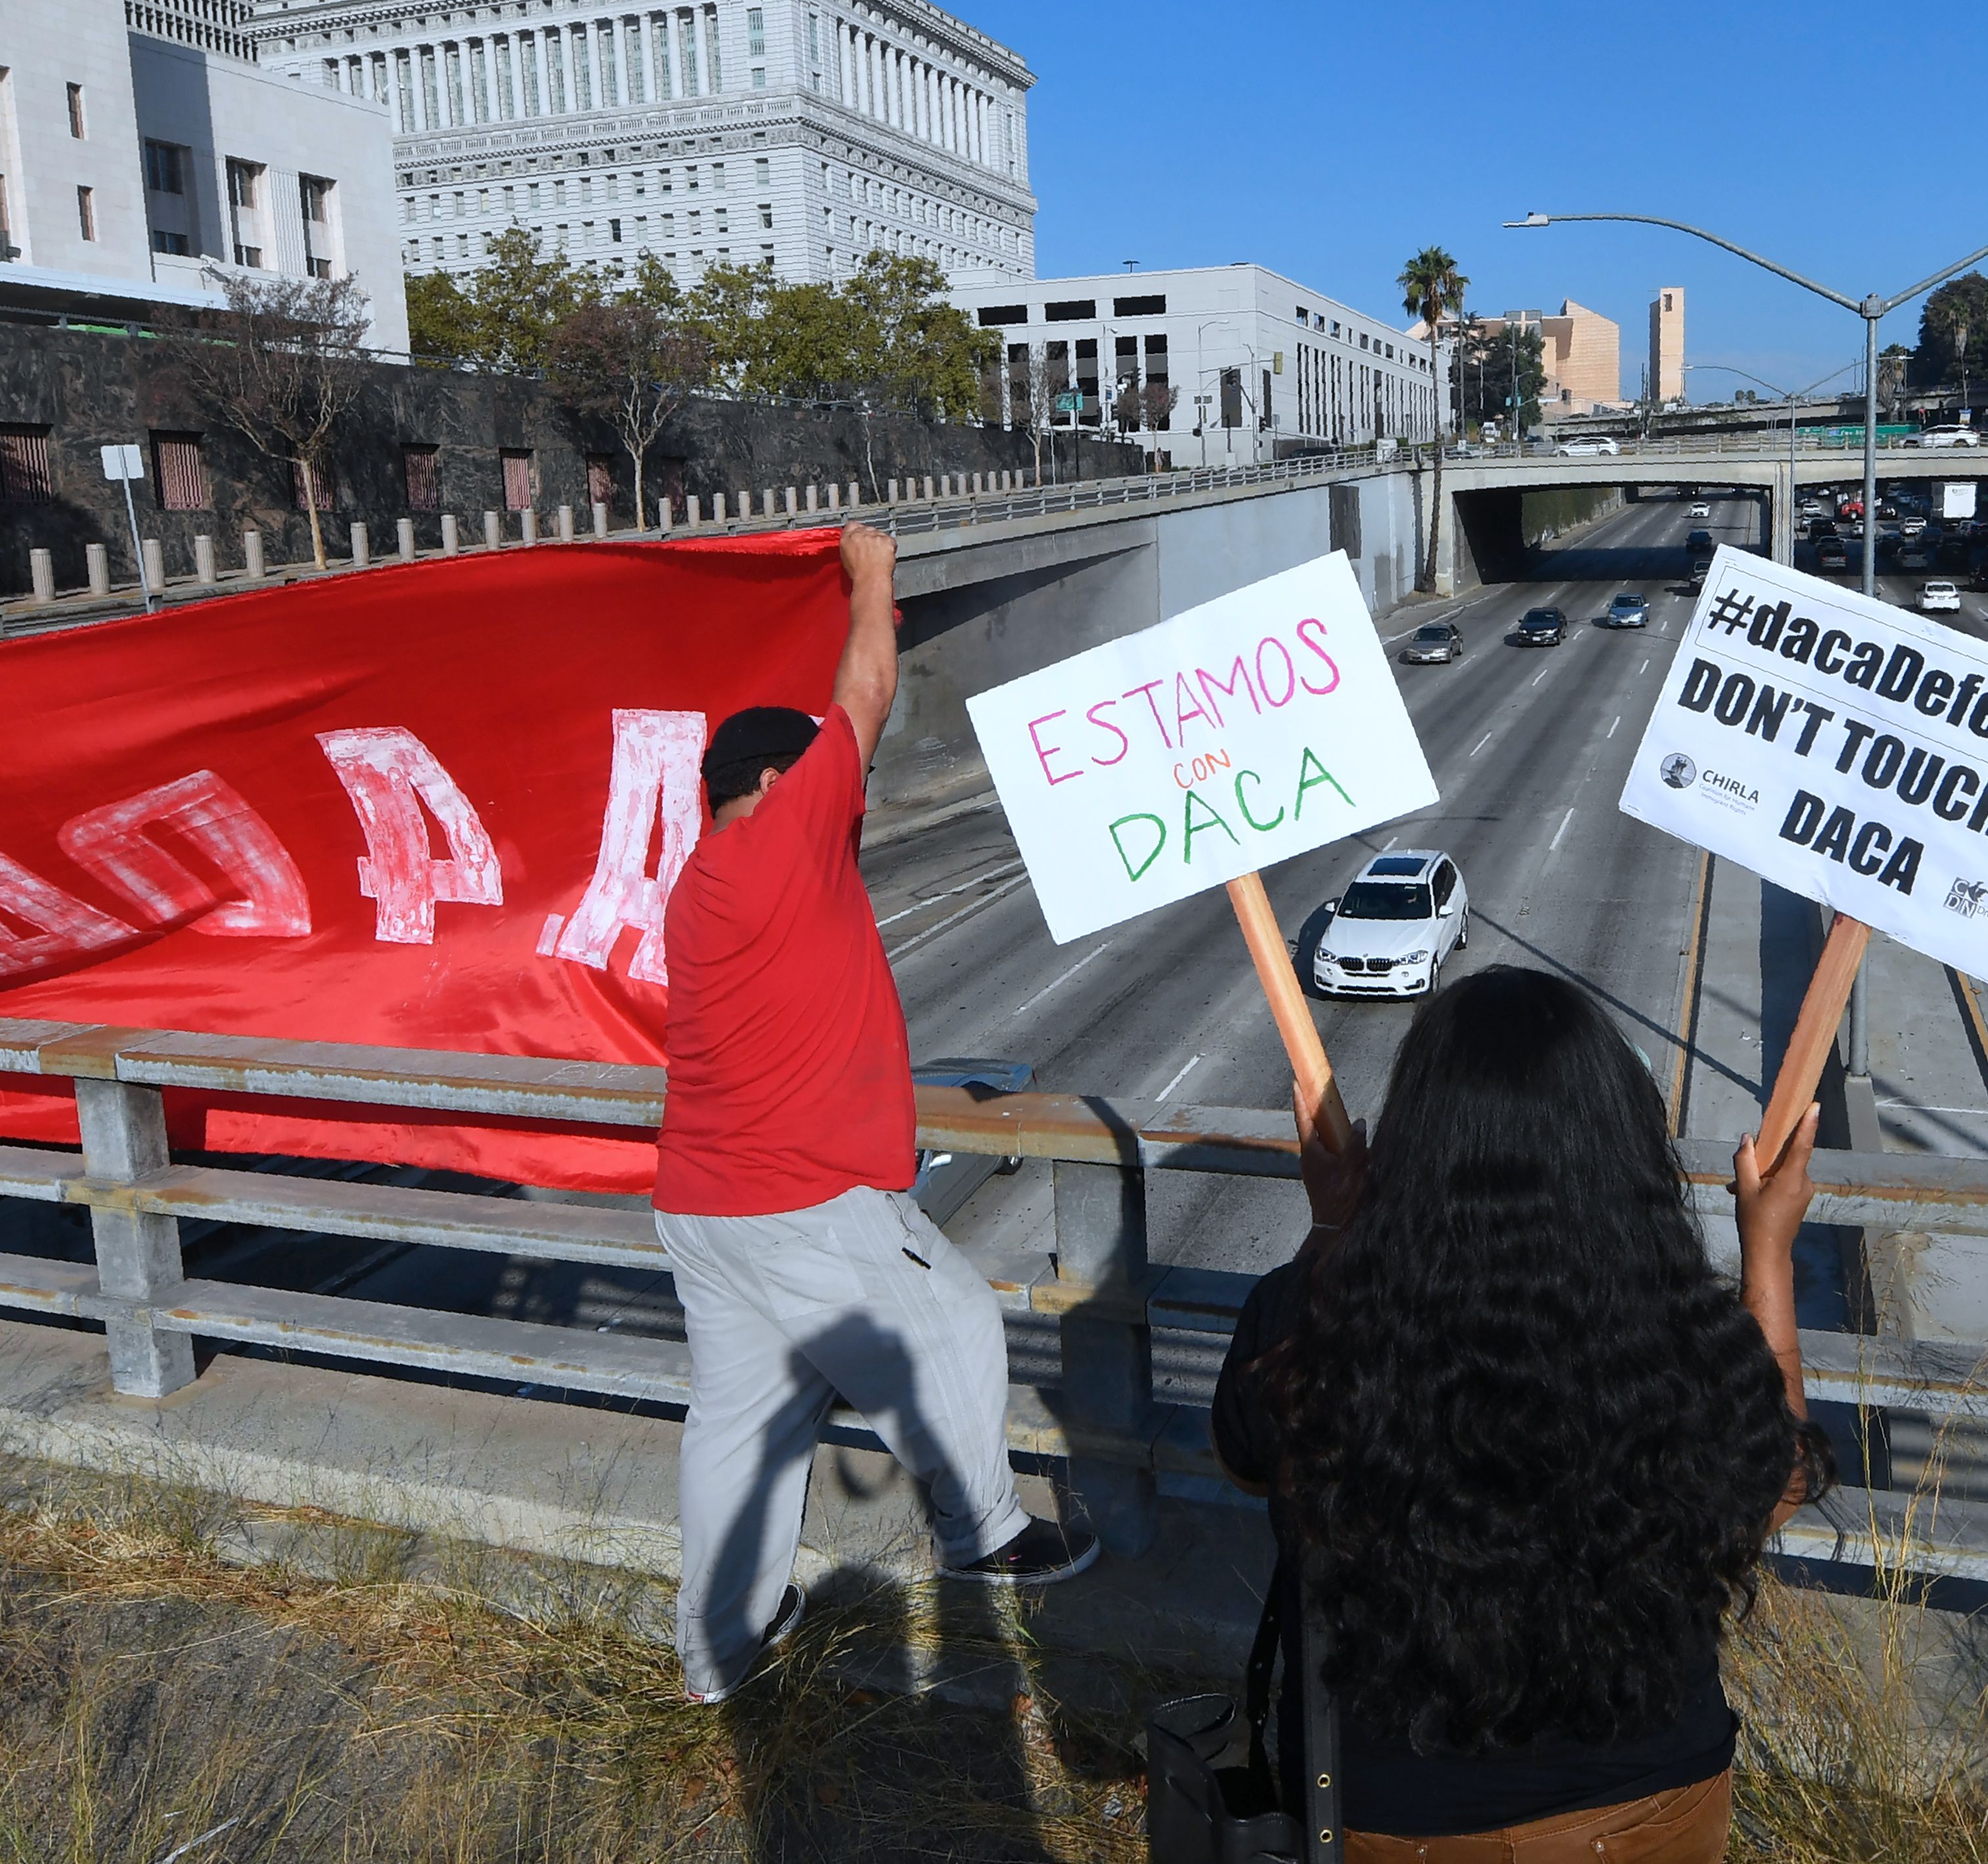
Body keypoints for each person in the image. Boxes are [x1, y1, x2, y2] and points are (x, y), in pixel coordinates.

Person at [1213, 965, 1829, 1862]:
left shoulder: (1311, 1317)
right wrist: (1767, 1249)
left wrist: (1333, 1230)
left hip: (1399, 1817)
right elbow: (1772, 1491)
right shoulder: (1685, 1327)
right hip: (1653, 1801)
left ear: (1415, 1146)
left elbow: (1248, 1458)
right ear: (1621, 1142)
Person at [653, 522, 1096, 1704]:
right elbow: (867, 687)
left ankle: (718, 1649)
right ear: (765, 788)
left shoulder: (696, 891)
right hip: (807, 1201)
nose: (839, 802)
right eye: (811, 782)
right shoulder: (779, 843)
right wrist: (872, 572)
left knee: (740, 1432)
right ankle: (986, 1534)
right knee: (948, 1320)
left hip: (705, 1208)